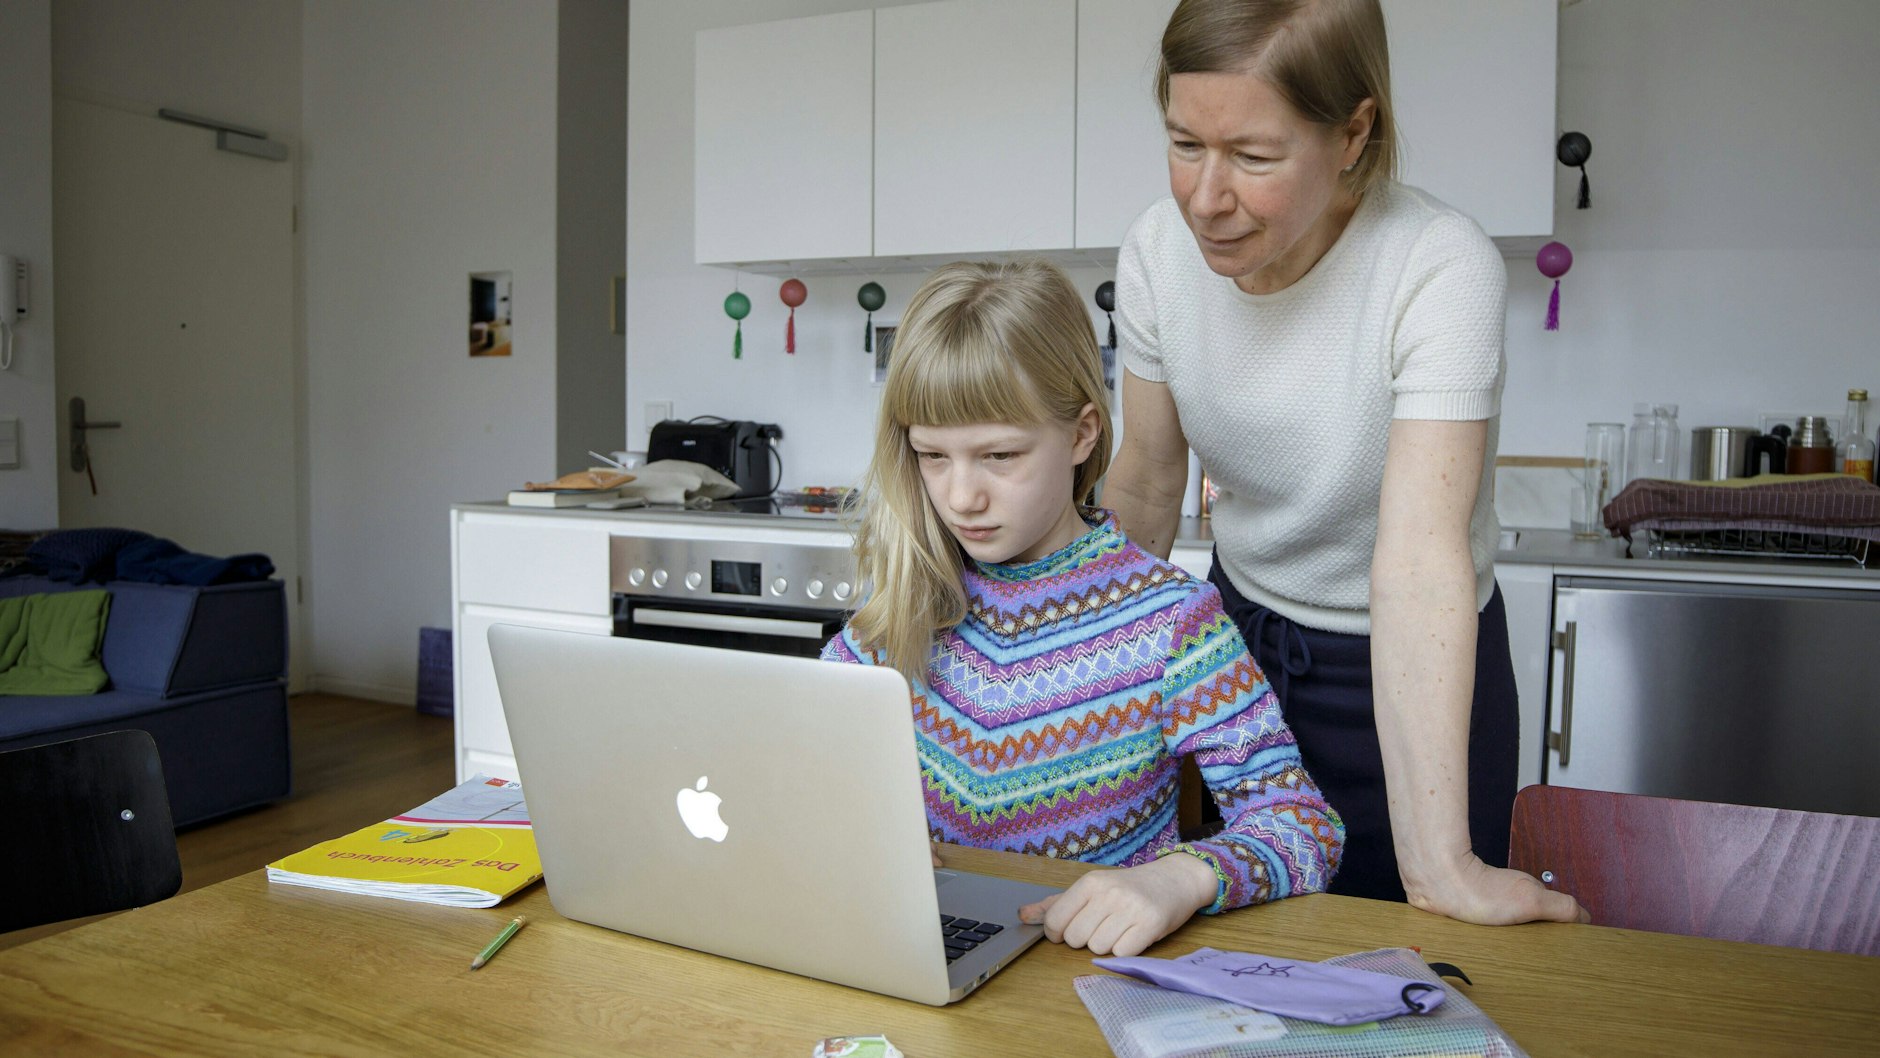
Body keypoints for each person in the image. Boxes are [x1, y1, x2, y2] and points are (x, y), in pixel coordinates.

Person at [1101, 0, 1585, 925]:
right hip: (1235, 652)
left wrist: (1441, 866)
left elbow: (1416, 563)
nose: (1206, 197)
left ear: (1355, 131)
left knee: (1419, 954)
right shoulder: (1158, 254)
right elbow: (1149, 484)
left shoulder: (1436, 266)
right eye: (1184, 143)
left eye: (1253, 156)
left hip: (1412, 667)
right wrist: (1070, 656)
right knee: (1226, 959)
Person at [821, 260, 1344, 958]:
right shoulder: (901, 607)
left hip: (1091, 978)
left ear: (1082, 434)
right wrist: (856, 823)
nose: (961, 496)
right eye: (932, 456)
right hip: (921, 961)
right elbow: (801, 771)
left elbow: (1304, 825)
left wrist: (1182, 877)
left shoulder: (1171, 623)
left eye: (999, 455)